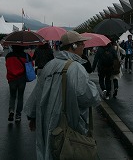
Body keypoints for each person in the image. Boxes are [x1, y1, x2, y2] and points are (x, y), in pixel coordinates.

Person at [23, 31, 100, 160]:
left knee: (48, 149)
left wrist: (32, 115)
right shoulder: (76, 68)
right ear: (73, 46)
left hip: (47, 118)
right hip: (68, 122)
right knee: (65, 151)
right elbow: (89, 97)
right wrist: (91, 85)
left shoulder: (50, 65)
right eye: (82, 44)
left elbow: (38, 91)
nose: (84, 47)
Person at [5, 45, 33, 122]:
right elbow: (31, 65)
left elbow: (7, 65)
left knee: (12, 96)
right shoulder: (26, 56)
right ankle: (18, 115)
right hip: (22, 78)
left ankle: (11, 110)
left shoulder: (8, 56)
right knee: (20, 96)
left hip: (11, 78)